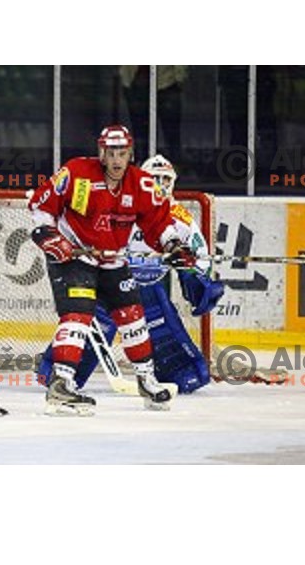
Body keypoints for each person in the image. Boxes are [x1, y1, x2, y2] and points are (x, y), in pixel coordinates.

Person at [28, 125, 196, 416]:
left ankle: (146, 380)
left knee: (132, 316)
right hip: (74, 256)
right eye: (111, 153)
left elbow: (159, 223)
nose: (117, 160)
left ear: (131, 154)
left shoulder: (142, 185)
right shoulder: (77, 173)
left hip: (112, 259)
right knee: (79, 314)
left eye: (123, 153)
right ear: (101, 153)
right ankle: (61, 384)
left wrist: (174, 246)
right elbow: (41, 206)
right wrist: (48, 235)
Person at [36, 154, 225, 394]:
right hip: (109, 282)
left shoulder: (180, 219)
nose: (161, 184)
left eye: (166, 179)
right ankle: (58, 375)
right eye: (155, 178)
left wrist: (192, 271)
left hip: (148, 290)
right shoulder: (122, 203)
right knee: (83, 336)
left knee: (184, 373)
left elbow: (198, 256)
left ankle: (152, 379)